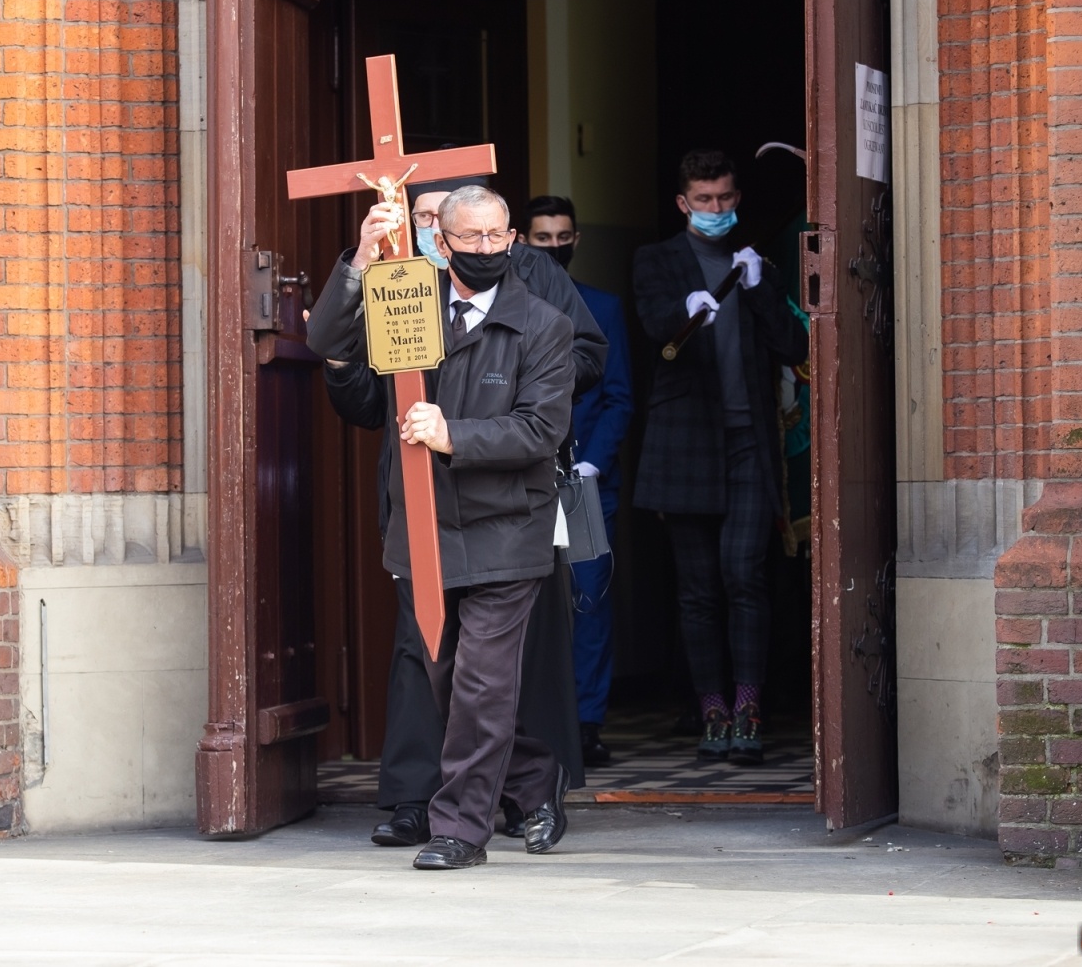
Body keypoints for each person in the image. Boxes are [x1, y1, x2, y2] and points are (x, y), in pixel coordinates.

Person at [318, 174, 605, 849]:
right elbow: (330, 338)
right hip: (423, 522)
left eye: (494, 235)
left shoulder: (543, 324)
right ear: (439, 244)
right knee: (449, 682)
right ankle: (534, 781)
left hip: (507, 527)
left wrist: (454, 436)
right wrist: (361, 258)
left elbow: (541, 431)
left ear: (511, 239)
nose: (484, 246)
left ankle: (459, 831)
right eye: (468, 235)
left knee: (481, 682)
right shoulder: (408, 300)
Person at [632, 150, 808, 765]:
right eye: (704, 200)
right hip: (685, 442)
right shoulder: (656, 260)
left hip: (748, 441)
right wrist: (684, 310)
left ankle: (749, 705)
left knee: (745, 575)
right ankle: (711, 708)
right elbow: (651, 327)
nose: (716, 210)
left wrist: (761, 292)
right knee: (699, 589)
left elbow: (794, 345)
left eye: (725, 198)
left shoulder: (755, 262)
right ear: (684, 203)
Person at [520, 196, 632, 767]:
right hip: (519, 479)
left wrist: (594, 463)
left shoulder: (603, 307)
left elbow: (619, 396)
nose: (555, 247)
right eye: (544, 238)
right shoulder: (505, 304)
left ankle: (586, 723)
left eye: (564, 236)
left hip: (583, 482)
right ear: (523, 240)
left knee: (588, 601)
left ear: (577, 237)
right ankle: (530, 727)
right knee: (519, 604)